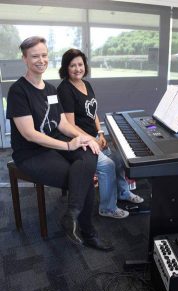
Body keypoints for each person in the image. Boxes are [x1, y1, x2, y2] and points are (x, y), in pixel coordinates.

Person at [6, 36, 113, 252]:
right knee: (81, 175)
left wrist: (86, 138)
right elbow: (29, 134)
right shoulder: (18, 91)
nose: (41, 60)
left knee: (89, 153)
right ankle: (89, 232)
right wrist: (67, 146)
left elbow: (63, 123)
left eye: (44, 55)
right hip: (32, 153)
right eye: (35, 56)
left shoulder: (51, 90)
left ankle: (71, 216)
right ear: (25, 59)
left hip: (53, 144)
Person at [57, 48, 144, 219]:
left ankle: (123, 193)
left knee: (119, 161)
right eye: (72, 65)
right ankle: (107, 208)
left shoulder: (85, 84)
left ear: (85, 66)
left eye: (80, 64)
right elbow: (70, 125)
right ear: (66, 68)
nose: (77, 69)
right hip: (79, 140)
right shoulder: (65, 89)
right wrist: (91, 140)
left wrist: (100, 133)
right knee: (108, 166)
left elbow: (94, 112)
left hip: (94, 137)